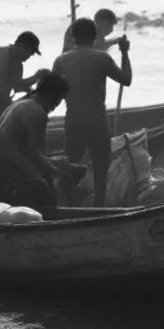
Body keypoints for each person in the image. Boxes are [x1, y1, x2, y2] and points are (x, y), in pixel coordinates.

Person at [51, 18, 132, 208]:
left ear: (73, 36)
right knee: (100, 169)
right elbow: (126, 79)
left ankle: (68, 207)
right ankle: (99, 208)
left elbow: (51, 91)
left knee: (70, 167)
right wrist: (125, 53)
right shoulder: (102, 58)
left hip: (73, 120)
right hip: (97, 119)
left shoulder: (61, 60)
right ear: (94, 36)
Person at [0, 72, 74, 212]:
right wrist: (52, 171)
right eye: (58, 101)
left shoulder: (19, 104)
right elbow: (33, 152)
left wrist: (50, 165)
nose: (56, 106)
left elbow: (26, 149)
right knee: (44, 189)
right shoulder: (37, 113)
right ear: (51, 95)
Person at [0, 31, 49, 136]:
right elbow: (3, 88)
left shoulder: (17, 61)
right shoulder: (2, 58)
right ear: (22, 46)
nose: (29, 57)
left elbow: (16, 86)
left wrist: (36, 78)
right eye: (29, 53)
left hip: (0, 103)